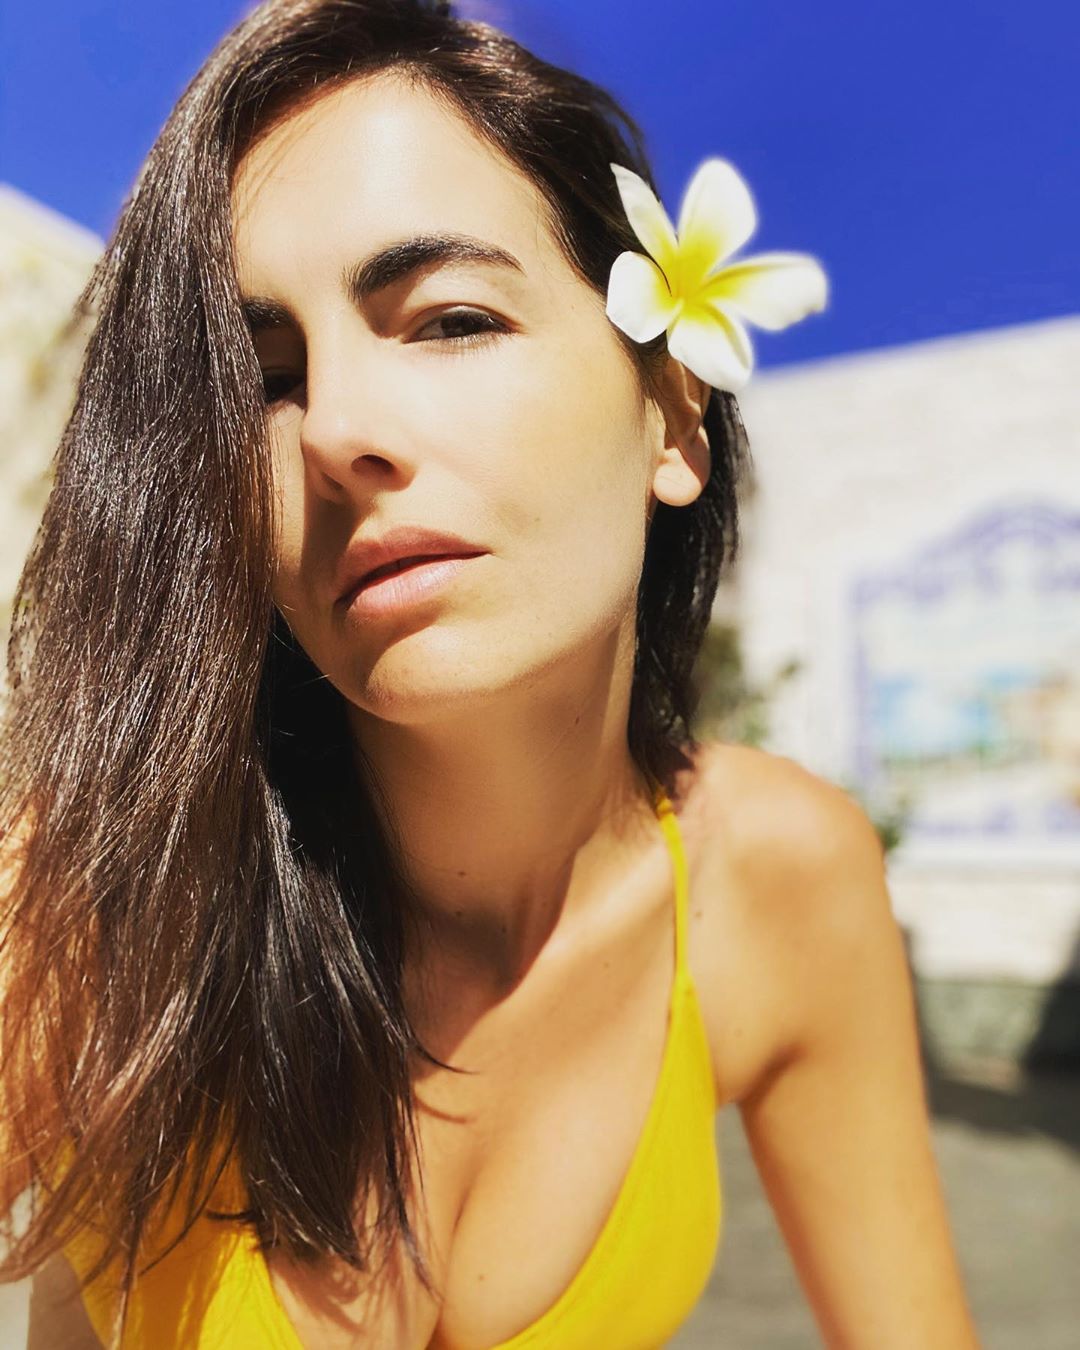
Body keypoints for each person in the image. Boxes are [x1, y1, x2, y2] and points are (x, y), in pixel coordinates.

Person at [0, 1, 981, 1346]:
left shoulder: (782, 881)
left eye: (451, 318)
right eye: (266, 381)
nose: (337, 428)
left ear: (673, 414)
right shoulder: (95, 897)